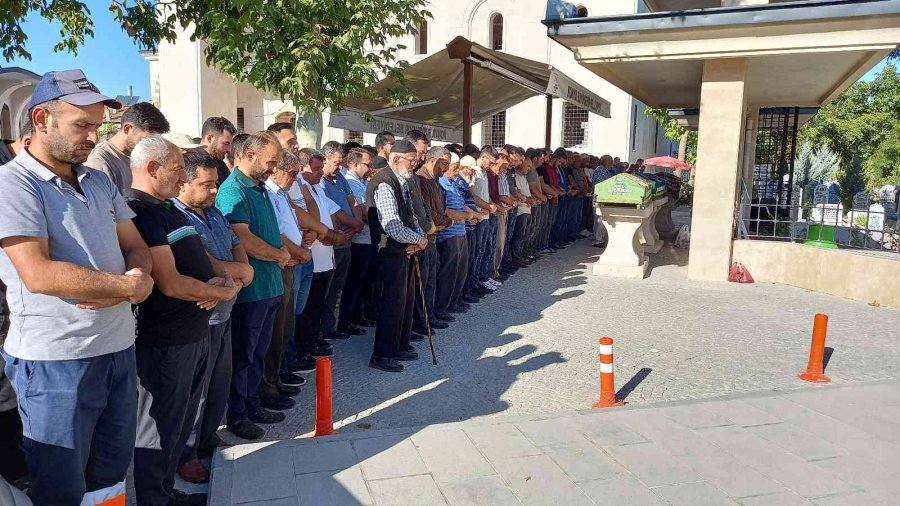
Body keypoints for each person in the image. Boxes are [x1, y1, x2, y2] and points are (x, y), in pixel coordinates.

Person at [0, 70, 154, 506]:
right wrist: (127, 287)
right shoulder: (13, 184)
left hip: (117, 348)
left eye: (97, 127)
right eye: (81, 126)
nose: (92, 137)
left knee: (109, 476)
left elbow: (135, 245)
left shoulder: (98, 179)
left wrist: (139, 275)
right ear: (41, 119)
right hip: (55, 363)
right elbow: (39, 274)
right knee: (61, 486)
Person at [126, 135, 237, 506]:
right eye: (176, 170)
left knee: (181, 420)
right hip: (167, 339)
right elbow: (170, 282)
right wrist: (224, 290)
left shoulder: (169, 207)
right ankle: (153, 500)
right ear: (152, 168)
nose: (181, 177)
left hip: (194, 331)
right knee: (160, 425)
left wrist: (220, 279)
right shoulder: (139, 210)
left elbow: (200, 259)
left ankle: (167, 491)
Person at [174, 151, 254, 484]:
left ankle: (207, 439)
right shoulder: (177, 219)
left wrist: (239, 274)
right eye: (205, 185)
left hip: (224, 312)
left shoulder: (216, 214)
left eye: (215, 185)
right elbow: (203, 263)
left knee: (218, 384)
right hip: (197, 321)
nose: (212, 192)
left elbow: (237, 247)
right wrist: (239, 275)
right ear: (183, 183)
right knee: (195, 391)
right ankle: (186, 453)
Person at [216, 132, 290, 440]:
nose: (274, 170)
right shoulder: (233, 191)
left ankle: (254, 402)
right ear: (248, 156)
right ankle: (238, 415)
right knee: (244, 356)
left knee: (259, 352)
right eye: (270, 162)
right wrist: (279, 255)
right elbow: (242, 239)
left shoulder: (257, 188)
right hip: (252, 290)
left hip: (269, 284)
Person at [366, 139, 428, 372]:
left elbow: (411, 216)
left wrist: (420, 238)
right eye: (411, 160)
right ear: (395, 159)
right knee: (392, 302)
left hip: (405, 249)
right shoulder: (384, 182)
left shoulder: (403, 181)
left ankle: (400, 345)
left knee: (406, 299)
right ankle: (383, 354)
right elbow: (392, 227)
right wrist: (417, 239)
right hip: (389, 251)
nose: (415, 164)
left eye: (415, 160)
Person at [259, 151, 312, 413]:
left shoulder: (280, 192)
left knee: (285, 327)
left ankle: (277, 378)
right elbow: (275, 233)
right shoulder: (268, 191)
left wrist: (304, 240)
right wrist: (296, 251)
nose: (294, 178)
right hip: (280, 265)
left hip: (290, 263)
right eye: (291, 174)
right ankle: (268, 388)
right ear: (278, 170)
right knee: (275, 331)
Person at [293, 149, 346, 372]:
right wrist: (324, 233)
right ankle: (304, 348)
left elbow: (331, 212)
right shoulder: (299, 186)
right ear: (303, 168)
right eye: (315, 169)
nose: (319, 173)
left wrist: (333, 233)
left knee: (318, 303)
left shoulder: (317, 187)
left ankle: (313, 340)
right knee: (307, 308)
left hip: (326, 255)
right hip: (312, 254)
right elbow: (308, 218)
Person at [319, 143, 364, 340]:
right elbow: (333, 212)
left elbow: (352, 200)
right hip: (335, 241)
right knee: (326, 289)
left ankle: (332, 326)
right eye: (336, 163)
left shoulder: (340, 179)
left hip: (348, 239)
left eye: (341, 163)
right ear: (325, 160)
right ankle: (323, 329)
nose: (339, 167)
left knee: (338, 287)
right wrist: (353, 223)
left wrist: (357, 224)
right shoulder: (320, 183)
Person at [413, 147, 456, 335]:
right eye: (444, 163)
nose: (446, 168)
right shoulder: (420, 179)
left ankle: (429, 316)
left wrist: (444, 220)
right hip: (423, 237)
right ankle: (422, 321)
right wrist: (446, 221)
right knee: (422, 282)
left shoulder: (434, 181)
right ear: (432, 160)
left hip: (433, 236)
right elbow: (425, 212)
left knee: (431, 279)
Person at [85, 102, 170, 192]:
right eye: (147, 139)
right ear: (127, 129)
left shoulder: (139, 156)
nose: (150, 144)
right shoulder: (98, 160)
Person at [339, 148, 379, 332]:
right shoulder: (350, 182)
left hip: (368, 237)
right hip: (359, 240)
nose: (370, 167)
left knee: (365, 280)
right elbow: (364, 211)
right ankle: (348, 320)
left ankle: (358, 315)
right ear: (355, 164)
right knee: (355, 281)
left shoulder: (362, 181)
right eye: (367, 164)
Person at [435, 153, 476, 318]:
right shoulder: (441, 184)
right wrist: (467, 216)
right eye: (455, 166)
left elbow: (462, 206)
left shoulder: (453, 184)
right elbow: (446, 211)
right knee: (448, 272)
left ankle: (453, 302)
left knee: (460, 269)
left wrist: (467, 215)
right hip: (449, 234)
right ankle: (441, 308)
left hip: (460, 231)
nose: (457, 169)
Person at [201, 117, 237, 186]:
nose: (229, 149)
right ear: (209, 138)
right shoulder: (193, 163)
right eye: (226, 144)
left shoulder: (219, 162)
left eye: (230, 144)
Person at [591, 154, 615, 248]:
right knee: (599, 219)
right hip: (599, 198)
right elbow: (600, 186)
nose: (612, 163)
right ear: (605, 162)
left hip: (603, 198)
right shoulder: (600, 171)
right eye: (610, 161)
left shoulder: (605, 171)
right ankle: (597, 240)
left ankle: (600, 238)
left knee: (601, 219)